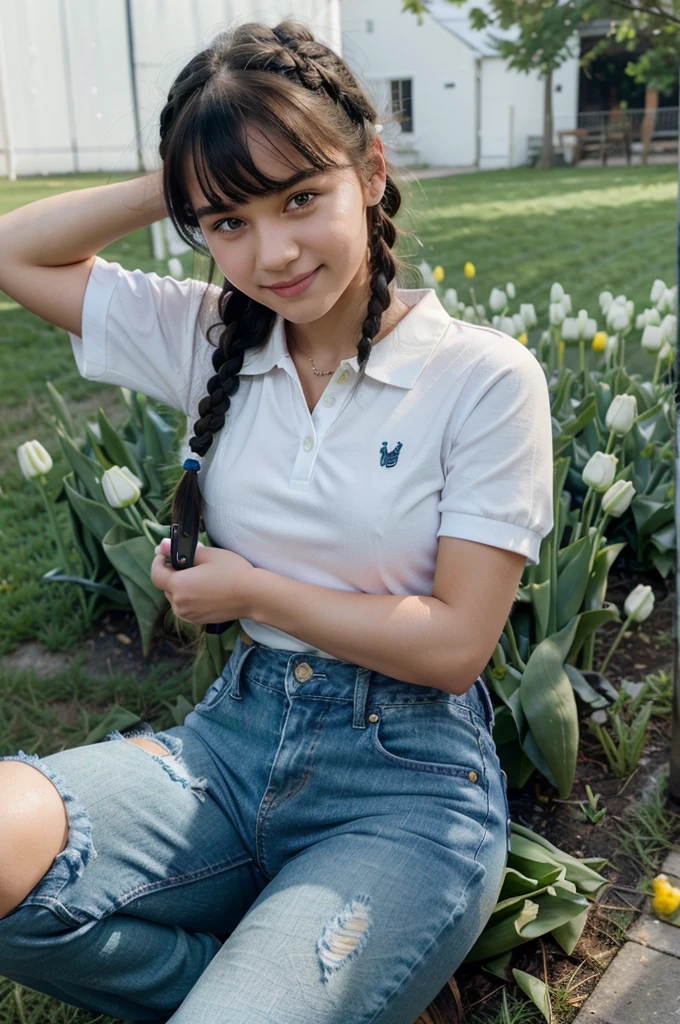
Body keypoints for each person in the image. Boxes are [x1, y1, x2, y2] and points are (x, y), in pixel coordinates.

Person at [0, 19, 554, 1024]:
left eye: (301, 197)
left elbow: (455, 646)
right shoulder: (210, 334)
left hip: (405, 785)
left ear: (371, 170)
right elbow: (11, 251)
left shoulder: (478, 378)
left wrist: (250, 588)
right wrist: (182, 173)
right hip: (230, 746)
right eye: (226, 222)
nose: (273, 252)